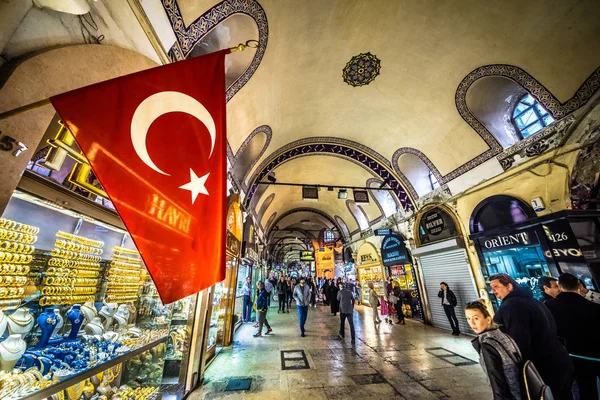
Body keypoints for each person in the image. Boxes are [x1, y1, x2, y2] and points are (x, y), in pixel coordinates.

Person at [490, 274, 574, 400]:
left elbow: (519, 342)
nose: (493, 291)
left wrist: (522, 372)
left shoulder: (512, 306)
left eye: (496, 286)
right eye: (491, 287)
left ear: (510, 286)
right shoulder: (532, 300)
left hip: (544, 367)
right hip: (559, 361)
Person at [546, 273, 600, 400]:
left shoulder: (549, 306)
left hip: (571, 356)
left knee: (586, 390)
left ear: (559, 286)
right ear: (579, 285)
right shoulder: (592, 305)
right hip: (596, 353)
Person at [465, 299, 524, 400]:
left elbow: (498, 384)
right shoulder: (503, 335)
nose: (472, 323)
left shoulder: (488, 344)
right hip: (521, 392)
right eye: (468, 318)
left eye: (476, 318)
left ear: (488, 319)